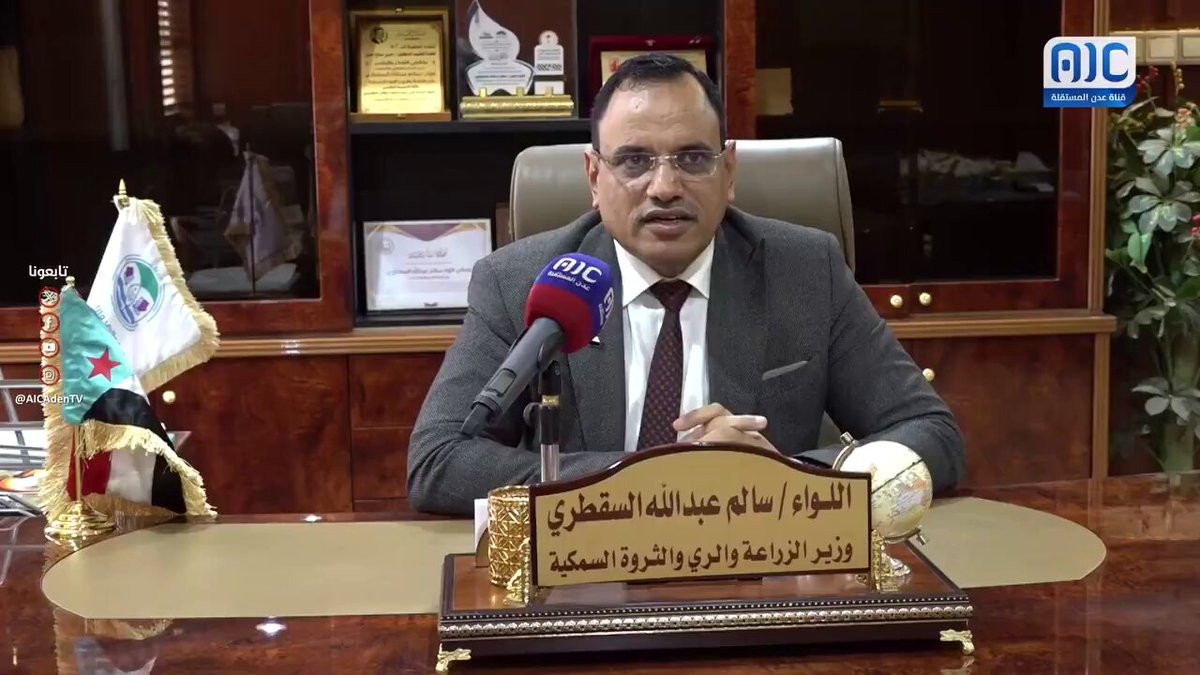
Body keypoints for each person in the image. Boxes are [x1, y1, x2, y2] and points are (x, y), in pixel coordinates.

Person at [408, 54, 964, 515]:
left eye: (693, 158)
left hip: (760, 576)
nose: (665, 187)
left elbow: (930, 433)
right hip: (587, 574)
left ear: (729, 172)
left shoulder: (806, 270)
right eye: (634, 161)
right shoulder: (520, 282)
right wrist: (650, 480)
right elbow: (438, 460)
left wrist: (782, 475)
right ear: (594, 178)